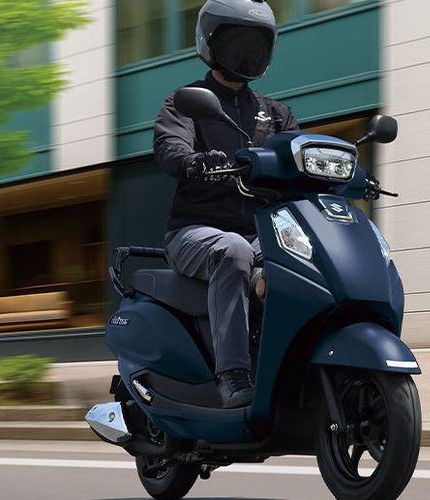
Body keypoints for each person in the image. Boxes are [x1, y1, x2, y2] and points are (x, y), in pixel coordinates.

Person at [153, 0, 298, 409]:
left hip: (261, 232)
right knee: (233, 251)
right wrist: (192, 161)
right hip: (195, 231)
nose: (247, 53)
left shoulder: (276, 114)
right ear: (211, 43)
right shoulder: (187, 101)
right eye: (237, 42)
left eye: (256, 44)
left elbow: (297, 157)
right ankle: (232, 374)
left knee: (303, 257)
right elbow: (169, 146)